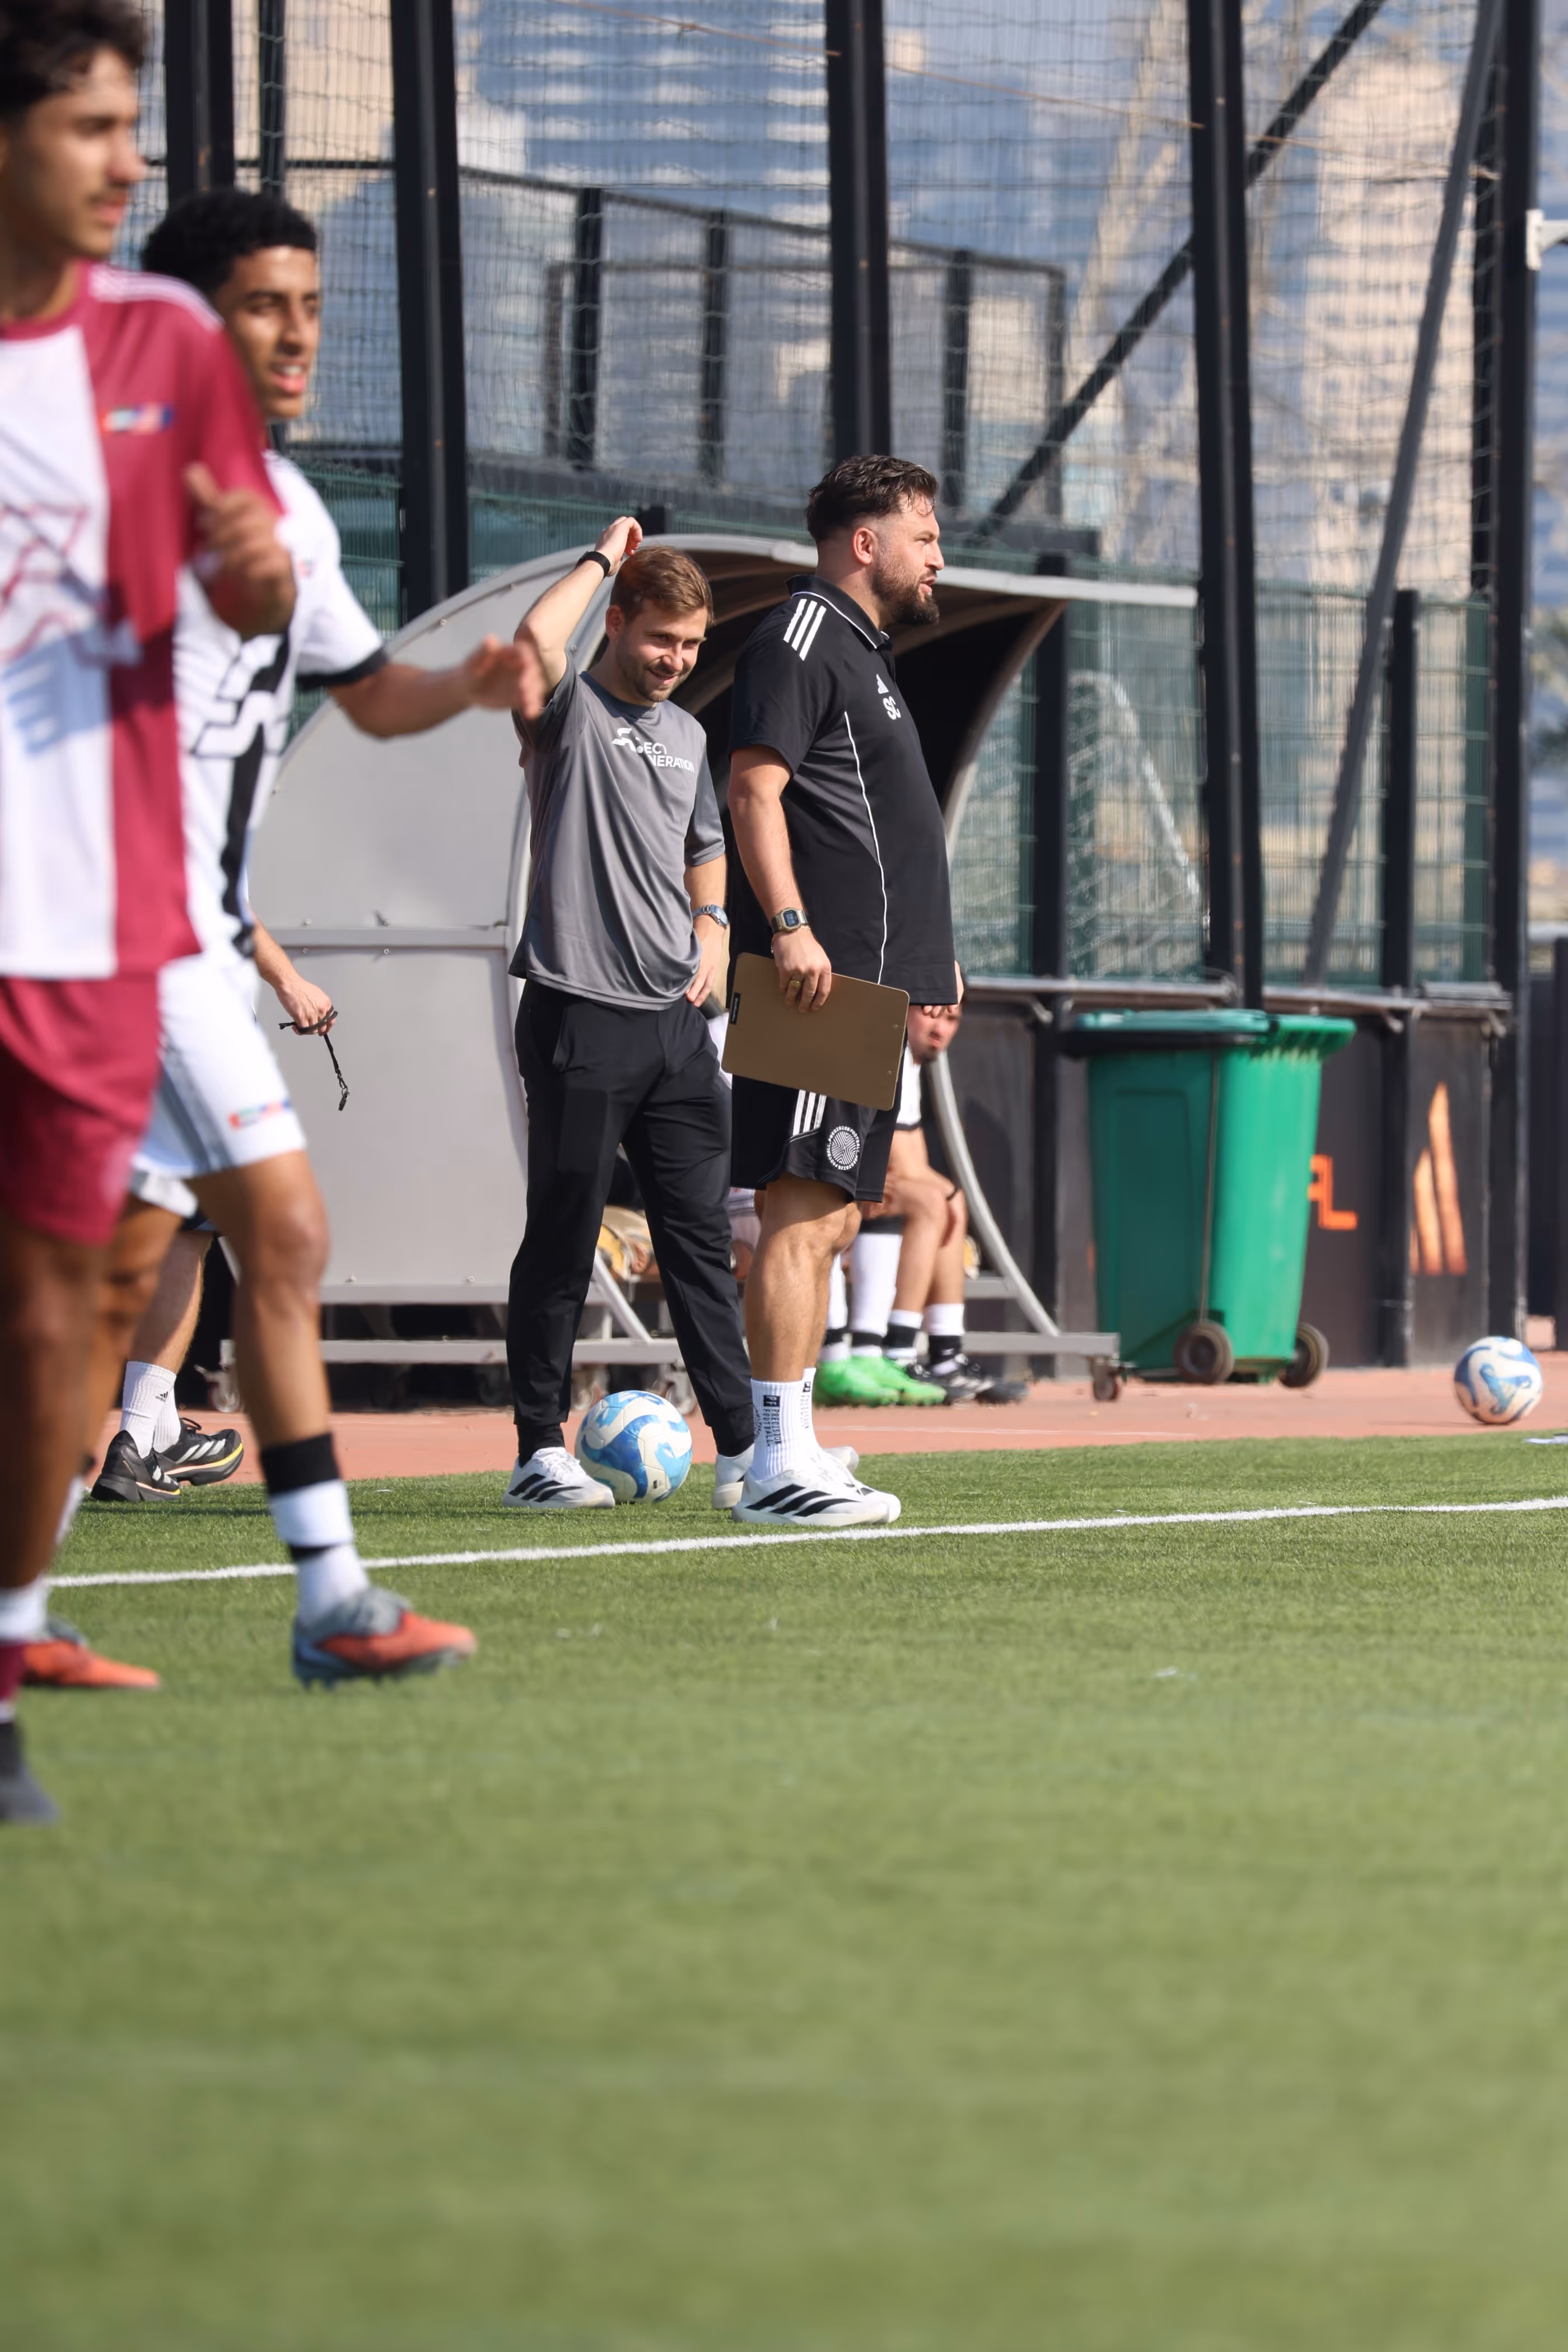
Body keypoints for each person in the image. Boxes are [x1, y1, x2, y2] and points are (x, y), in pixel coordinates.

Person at [33, 184, 546, 1701]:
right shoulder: (111, 478)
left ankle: (27, 1613)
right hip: (107, 933)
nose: (299, 336)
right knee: (279, 1236)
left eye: (313, 310)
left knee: (119, 1282)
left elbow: (364, 692)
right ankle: (330, 1596)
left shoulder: (294, 509)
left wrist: (473, 679)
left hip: (180, 936)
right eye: (266, 306)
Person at [0, 2, 297, 1818]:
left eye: (137, 128)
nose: (128, 163)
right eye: (93, 128)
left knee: (59, 1305)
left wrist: (253, 570)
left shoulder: (165, 348)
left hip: (75, 916)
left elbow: (245, 597)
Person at [501, 525, 764, 1511]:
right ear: (617, 625)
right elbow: (531, 646)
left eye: (692, 646)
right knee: (563, 1237)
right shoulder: (565, 711)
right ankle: (539, 1452)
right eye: (661, 640)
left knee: (699, 1239)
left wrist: (711, 923)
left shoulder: (691, 733)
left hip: (675, 1028)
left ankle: (745, 1454)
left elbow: (707, 842)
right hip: (578, 1013)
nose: (677, 661)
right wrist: (602, 557)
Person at [725, 455, 961, 1525]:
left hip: (866, 987)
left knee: (829, 1218)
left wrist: (926, 963)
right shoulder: (804, 636)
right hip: (818, 984)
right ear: (865, 542)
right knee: (802, 1209)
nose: (937, 555)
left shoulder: (862, 653)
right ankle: (773, 1464)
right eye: (924, 534)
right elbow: (753, 789)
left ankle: (794, 1445)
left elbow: (880, 833)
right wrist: (789, 929)